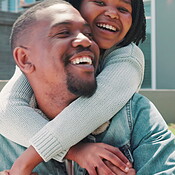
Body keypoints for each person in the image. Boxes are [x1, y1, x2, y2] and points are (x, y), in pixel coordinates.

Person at [0, 0, 145, 165]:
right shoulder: (43, 51)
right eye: (99, 2)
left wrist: (25, 162)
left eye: (122, 8)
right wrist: (74, 152)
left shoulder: (128, 57)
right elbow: (7, 110)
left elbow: (96, 105)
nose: (112, 13)